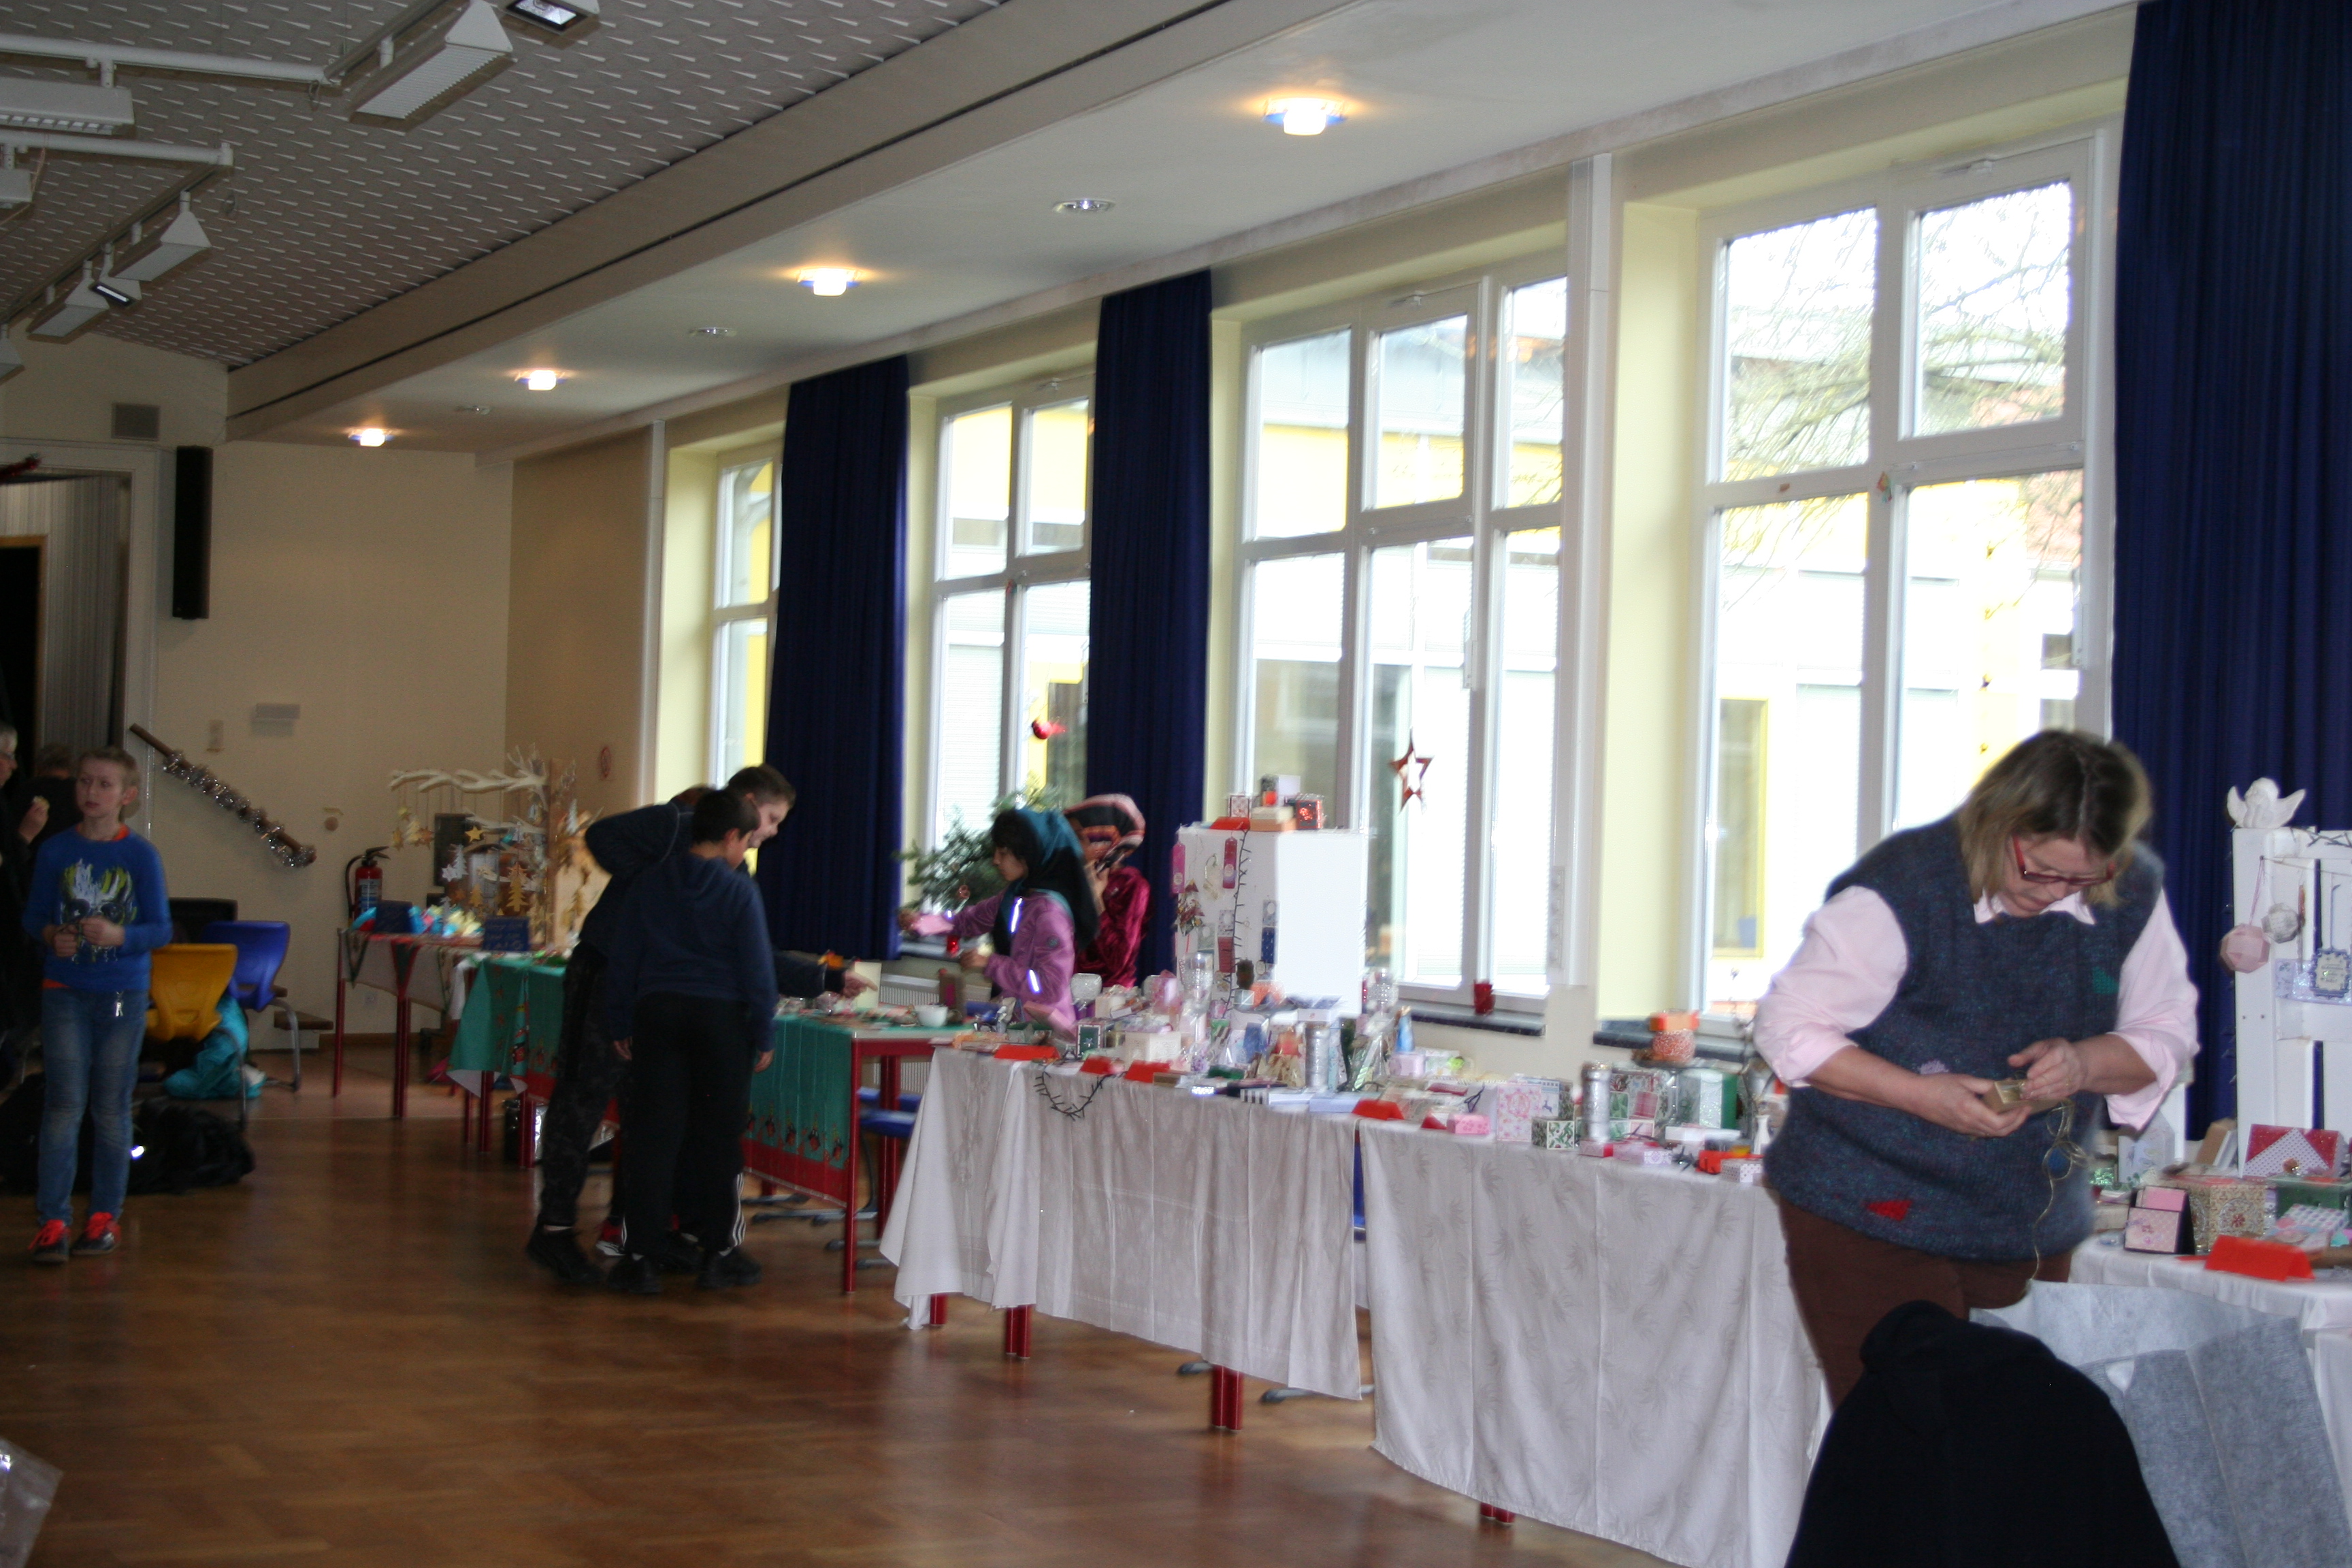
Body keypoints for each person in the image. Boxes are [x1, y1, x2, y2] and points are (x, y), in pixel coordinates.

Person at [1752, 730, 2198, 1404]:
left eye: (2082, 878)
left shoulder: (2130, 889)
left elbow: (2165, 1035)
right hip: (1870, 1208)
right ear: (1998, 824)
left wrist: (2081, 1064)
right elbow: (1788, 1025)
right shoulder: (1906, 886)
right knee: (1909, 1429)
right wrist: (1920, 1096)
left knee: (2009, 1434)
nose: (2055, 892)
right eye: (2039, 870)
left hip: (2025, 1219)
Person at [525, 766, 794, 1284]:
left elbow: (758, 955)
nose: (773, 831)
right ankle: (554, 1229)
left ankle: (635, 1236)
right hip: (607, 975)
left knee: (648, 1121)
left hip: (651, 999)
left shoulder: (735, 872)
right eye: (771, 818)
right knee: (582, 1100)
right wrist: (647, 878)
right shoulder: (677, 826)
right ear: (743, 807)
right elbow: (602, 837)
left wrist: (824, 976)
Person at [599, 789, 778, 1295]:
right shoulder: (738, 891)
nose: (745, 851)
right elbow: (757, 969)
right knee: (719, 1140)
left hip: (658, 1017)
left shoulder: (650, 882)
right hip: (721, 1024)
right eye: (746, 841)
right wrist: (763, 1031)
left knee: (652, 1140)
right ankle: (719, 1254)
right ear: (730, 837)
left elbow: (624, 959)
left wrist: (620, 1023)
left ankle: (641, 1258)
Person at [20, 747, 173, 1264]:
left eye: (104, 784)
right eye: (85, 781)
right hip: (64, 990)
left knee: (110, 1107)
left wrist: (120, 935)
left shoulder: (140, 856)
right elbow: (33, 917)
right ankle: (53, 1221)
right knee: (64, 1104)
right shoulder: (55, 850)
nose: (91, 792)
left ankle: (104, 1217)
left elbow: (161, 929)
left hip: (121, 995)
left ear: (127, 796)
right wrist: (52, 936)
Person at [904, 808, 1099, 1036]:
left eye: (1004, 852)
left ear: (1029, 853)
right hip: (1020, 1028)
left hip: (1047, 1036)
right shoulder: (1016, 896)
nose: (996, 860)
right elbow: (968, 920)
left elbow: (1049, 987)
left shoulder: (1050, 913)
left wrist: (991, 963)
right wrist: (921, 922)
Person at [1065, 794, 1149, 989]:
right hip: (1067, 993)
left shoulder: (1132, 885)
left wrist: (1096, 900)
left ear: (1105, 838)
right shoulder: (1073, 877)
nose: (1070, 843)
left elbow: (1119, 959)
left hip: (1109, 997)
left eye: (1080, 836)